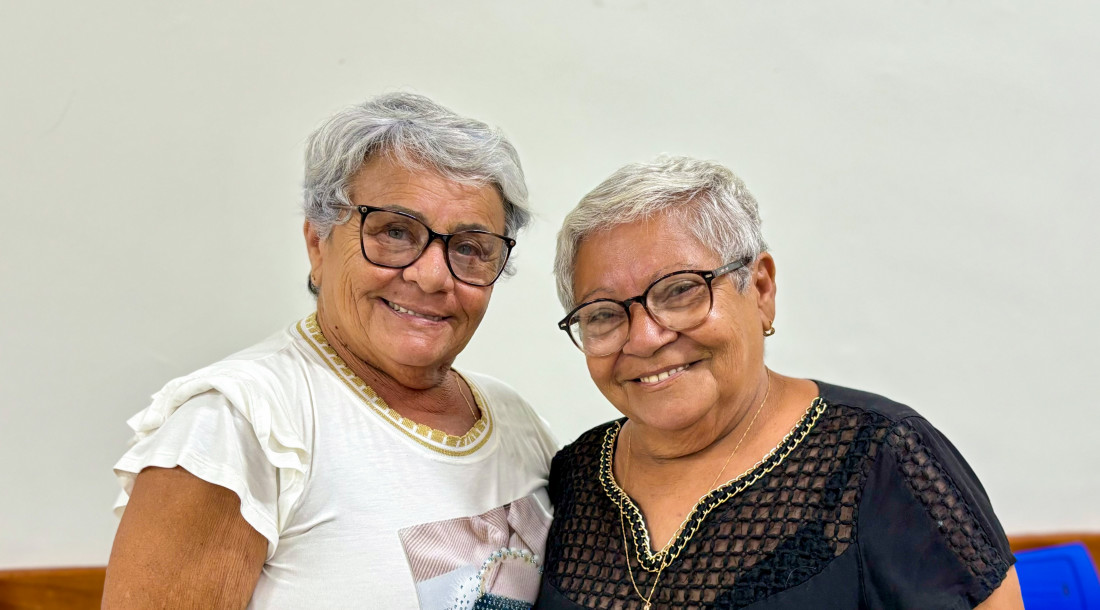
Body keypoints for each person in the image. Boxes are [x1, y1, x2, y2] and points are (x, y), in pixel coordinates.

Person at [103, 93, 558, 609]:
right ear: (318, 243)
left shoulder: (515, 421)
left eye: (471, 247)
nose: (432, 276)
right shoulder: (238, 425)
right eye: (394, 232)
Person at [536, 156, 1023, 609]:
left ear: (761, 290)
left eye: (681, 289)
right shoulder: (572, 477)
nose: (643, 338)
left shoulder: (883, 458)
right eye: (602, 314)